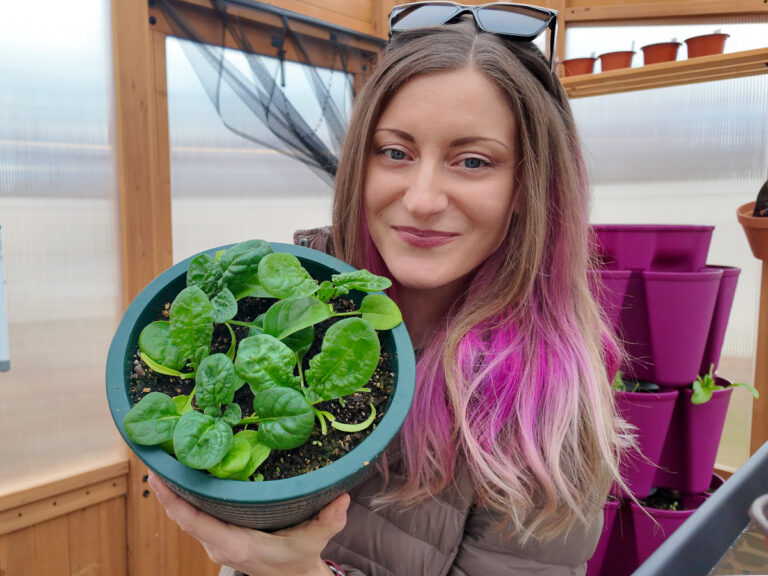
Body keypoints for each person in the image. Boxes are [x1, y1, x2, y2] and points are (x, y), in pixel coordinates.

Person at [148, 3, 632, 574]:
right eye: (395, 152)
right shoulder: (287, 304)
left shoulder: (544, 407)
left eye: (473, 161)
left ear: (532, 185)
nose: (422, 199)